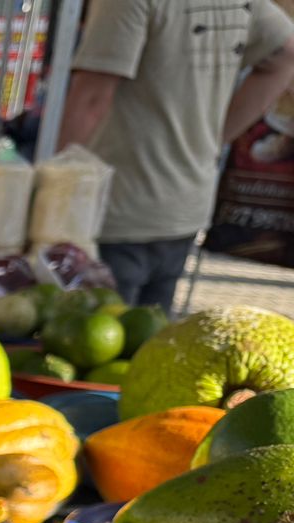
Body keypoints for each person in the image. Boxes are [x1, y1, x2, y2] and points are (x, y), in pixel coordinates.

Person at [59, 0, 294, 310]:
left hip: (115, 209)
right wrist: (216, 138)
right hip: (184, 206)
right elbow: (286, 54)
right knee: (147, 347)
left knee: (90, 343)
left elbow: (91, 99)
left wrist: (53, 188)